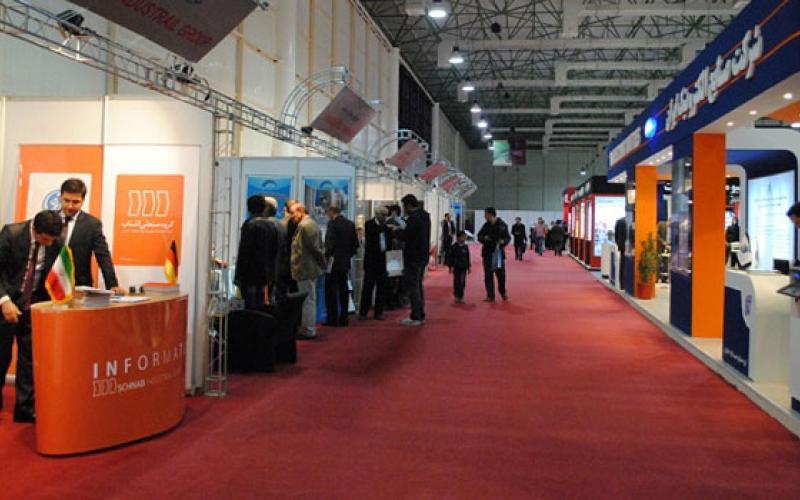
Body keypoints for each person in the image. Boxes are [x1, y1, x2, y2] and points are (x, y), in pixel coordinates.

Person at [0, 210, 63, 423]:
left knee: (29, 359)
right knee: (1, 355)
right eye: (45, 240)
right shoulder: (11, 234)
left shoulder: (56, 241)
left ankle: (25, 408)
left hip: (32, 305)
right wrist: (4, 301)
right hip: (6, 302)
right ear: (34, 230)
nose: (49, 244)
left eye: (52, 240)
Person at [58, 178, 123, 293]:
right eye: (66, 200)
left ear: (83, 201)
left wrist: (112, 284)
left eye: (75, 202)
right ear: (60, 197)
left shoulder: (92, 224)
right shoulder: (48, 219)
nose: (70, 206)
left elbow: (103, 256)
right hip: (47, 287)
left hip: (78, 287)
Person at [234, 195, 278, 309]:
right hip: (266, 275)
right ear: (263, 208)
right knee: (262, 306)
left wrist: (238, 276)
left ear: (249, 208)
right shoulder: (271, 226)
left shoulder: (249, 225)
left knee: (249, 306)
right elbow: (275, 251)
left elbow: (244, 252)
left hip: (250, 274)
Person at [290, 203, 326, 339]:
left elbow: (315, 249)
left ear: (300, 211)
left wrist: (323, 263)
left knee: (308, 300)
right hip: (306, 268)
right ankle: (307, 327)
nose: (292, 217)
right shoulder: (308, 224)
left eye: (293, 213)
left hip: (306, 269)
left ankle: (308, 329)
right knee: (308, 299)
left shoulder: (306, 226)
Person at [395, 194, 431, 326]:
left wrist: (396, 231)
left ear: (409, 205)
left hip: (413, 257)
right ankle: (420, 314)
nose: (404, 210)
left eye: (404, 207)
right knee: (418, 286)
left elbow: (407, 235)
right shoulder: (425, 216)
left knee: (413, 287)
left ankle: (416, 316)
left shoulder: (414, 218)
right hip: (422, 256)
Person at [324, 206, 358, 327]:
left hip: (333, 262)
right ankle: (344, 318)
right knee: (344, 290)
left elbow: (329, 244)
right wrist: (347, 256)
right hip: (344, 263)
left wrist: (327, 257)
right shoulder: (350, 224)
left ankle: (332, 319)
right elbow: (355, 245)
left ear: (331, 212)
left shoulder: (332, 224)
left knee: (330, 290)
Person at [359, 206, 391, 320]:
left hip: (383, 261)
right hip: (371, 262)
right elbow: (373, 233)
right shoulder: (369, 224)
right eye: (383, 215)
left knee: (381, 288)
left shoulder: (386, 228)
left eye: (386, 215)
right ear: (377, 215)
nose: (385, 217)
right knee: (367, 288)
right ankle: (363, 312)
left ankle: (379, 312)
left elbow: (389, 244)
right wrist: (385, 228)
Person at [478, 207, 510, 302]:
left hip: (498, 253)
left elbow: (508, 237)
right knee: (488, 275)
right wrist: (484, 238)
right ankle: (490, 295)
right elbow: (479, 236)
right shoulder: (486, 225)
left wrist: (503, 241)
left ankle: (503, 292)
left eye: (485, 214)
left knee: (500, 275)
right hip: (487, 253)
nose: (484, 216)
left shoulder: (502, 225)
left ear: (490, 214)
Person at [446, 230, 471, 303]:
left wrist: (469, 267)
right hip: (456, 267)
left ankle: (461, 295)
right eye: (462, 237)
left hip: (463, 267)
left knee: (462, 282)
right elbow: (450, 257)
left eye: (465, 237)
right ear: (458, 238)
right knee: (457, 281)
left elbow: (468, 257)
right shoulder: (454, 247)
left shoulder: (465, 247)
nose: (464, 238)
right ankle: (456, 295)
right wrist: (450, 266)